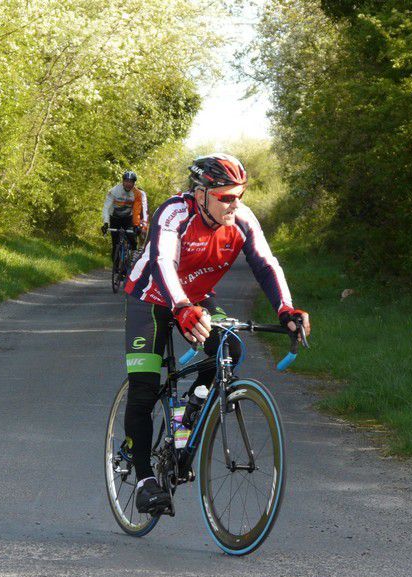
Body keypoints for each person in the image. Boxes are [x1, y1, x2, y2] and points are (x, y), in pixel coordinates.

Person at [121, 153, 311, 513]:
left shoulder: (241, 219)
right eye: (225, 196)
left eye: (238, 195)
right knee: (144, 389)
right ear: (202, 193)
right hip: (151, 298)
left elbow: (266, 264)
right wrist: (180, 307)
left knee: (230, 348)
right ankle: (146, 480)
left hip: (195, 299)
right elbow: (163, 262)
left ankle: (190, 412)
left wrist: (286, 309)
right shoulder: (175, 213)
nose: (233, 203)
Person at [102, 171, 148, 261]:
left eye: (131, 182)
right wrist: (106, 223)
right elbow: (106, 208)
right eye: (126, 181)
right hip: (114, 218)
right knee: (115, 243)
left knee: (132, 238)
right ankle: (116, 266)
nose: (128, 184)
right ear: (122, 181)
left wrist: (136, 224)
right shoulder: (114, 191)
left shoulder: (137, 193)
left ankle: (133, 257)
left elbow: (136, 210)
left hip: (128, 218)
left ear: (134, 183)